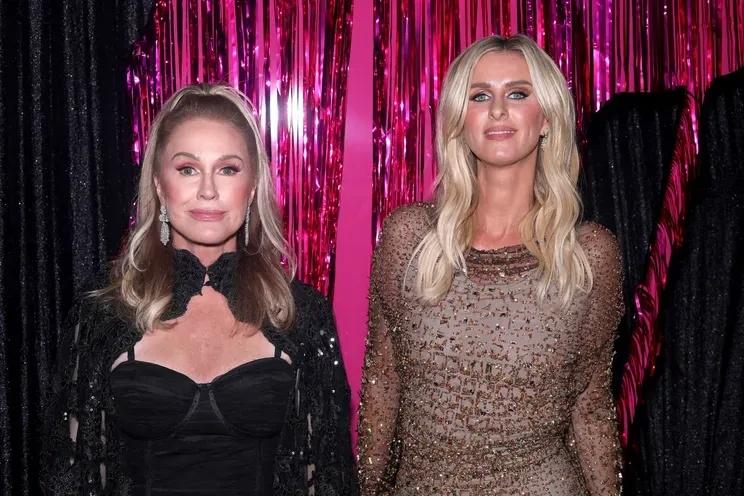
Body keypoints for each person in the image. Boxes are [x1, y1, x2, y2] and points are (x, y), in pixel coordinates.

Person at [42, 84, 357, 496]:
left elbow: (328, 477)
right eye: (188, 169)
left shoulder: (302, 314)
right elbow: (71, 476)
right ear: (159, 184)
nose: (208, 190)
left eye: (228, 169)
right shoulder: (102, 310)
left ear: (253, 186)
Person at [358, 35, 623, 495]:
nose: (498, 110)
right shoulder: (410, 238)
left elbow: (590, 407)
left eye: (517, 94)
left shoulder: (588, 255)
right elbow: (383, 386)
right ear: (459, 120)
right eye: (480, 96)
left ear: (547, 118)